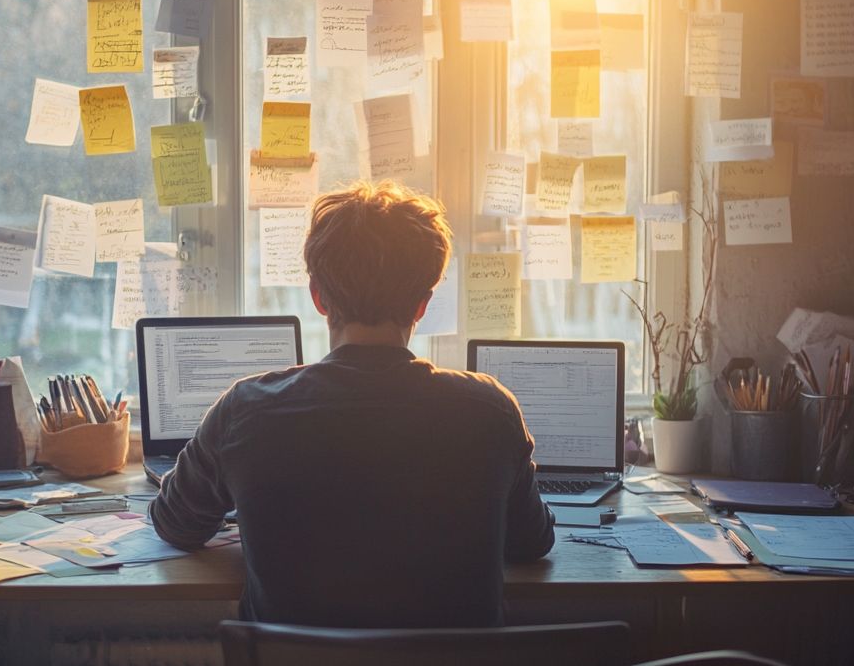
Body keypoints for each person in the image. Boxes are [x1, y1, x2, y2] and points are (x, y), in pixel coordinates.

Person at [149, 181, 554, 627]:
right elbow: (530, 543)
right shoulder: (490, 411)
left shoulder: (246, 411)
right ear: (422, 305)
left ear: (318, 296)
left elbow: (175, 525)